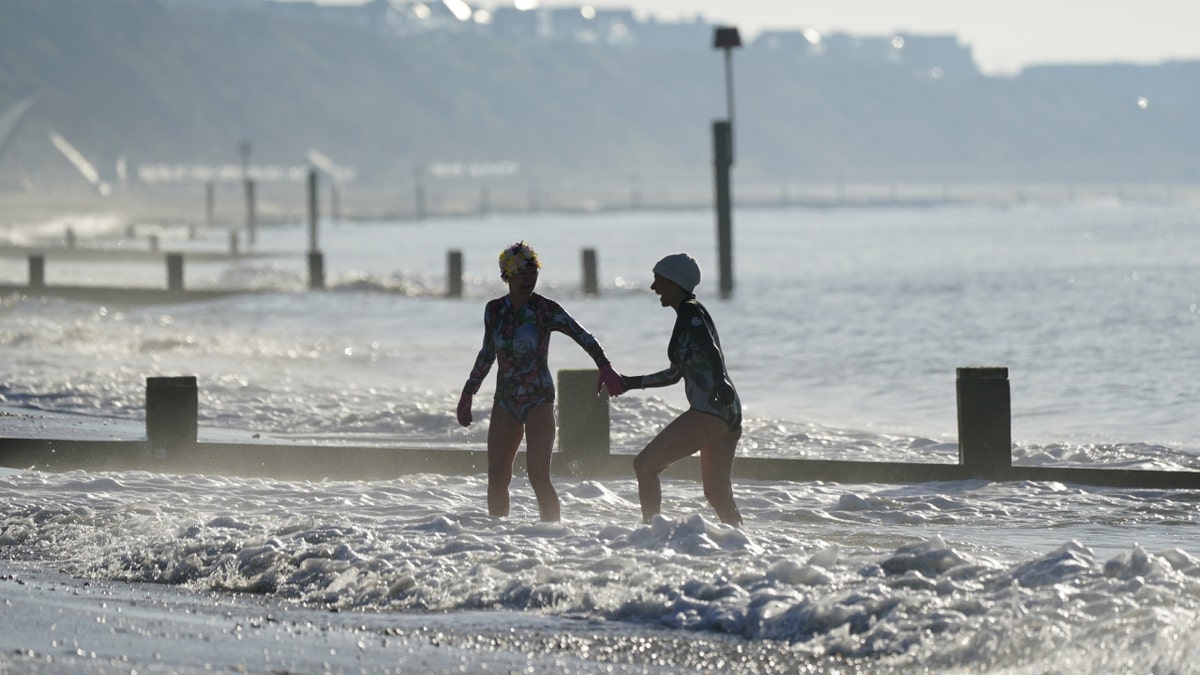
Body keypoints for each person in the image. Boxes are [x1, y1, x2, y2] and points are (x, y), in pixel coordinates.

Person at [457, 241, 624, 521]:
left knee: (538, 476)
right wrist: (468, 392)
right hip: (505, 400)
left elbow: (583, 336)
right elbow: (487, 354)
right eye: (522, 273)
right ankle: (498, 535)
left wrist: (605, 367)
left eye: (533, 272)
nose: (529, 279)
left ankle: (552, 536)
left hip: (538, 400)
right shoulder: (494, 310)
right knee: (497, 477)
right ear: (507, 275)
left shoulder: (545, 309)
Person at [620, 253, 743, 526]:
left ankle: (651, 531)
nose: (654, 288)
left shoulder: (690, 311)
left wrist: (720, 379)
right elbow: (675, 373)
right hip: (728, 410)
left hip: (712, 407)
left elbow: (709, 347)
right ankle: (741, 544)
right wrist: (632, 382)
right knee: (717, 493)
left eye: (658, 281)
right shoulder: (688, 314)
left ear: (674, 282)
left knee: (645, 466)